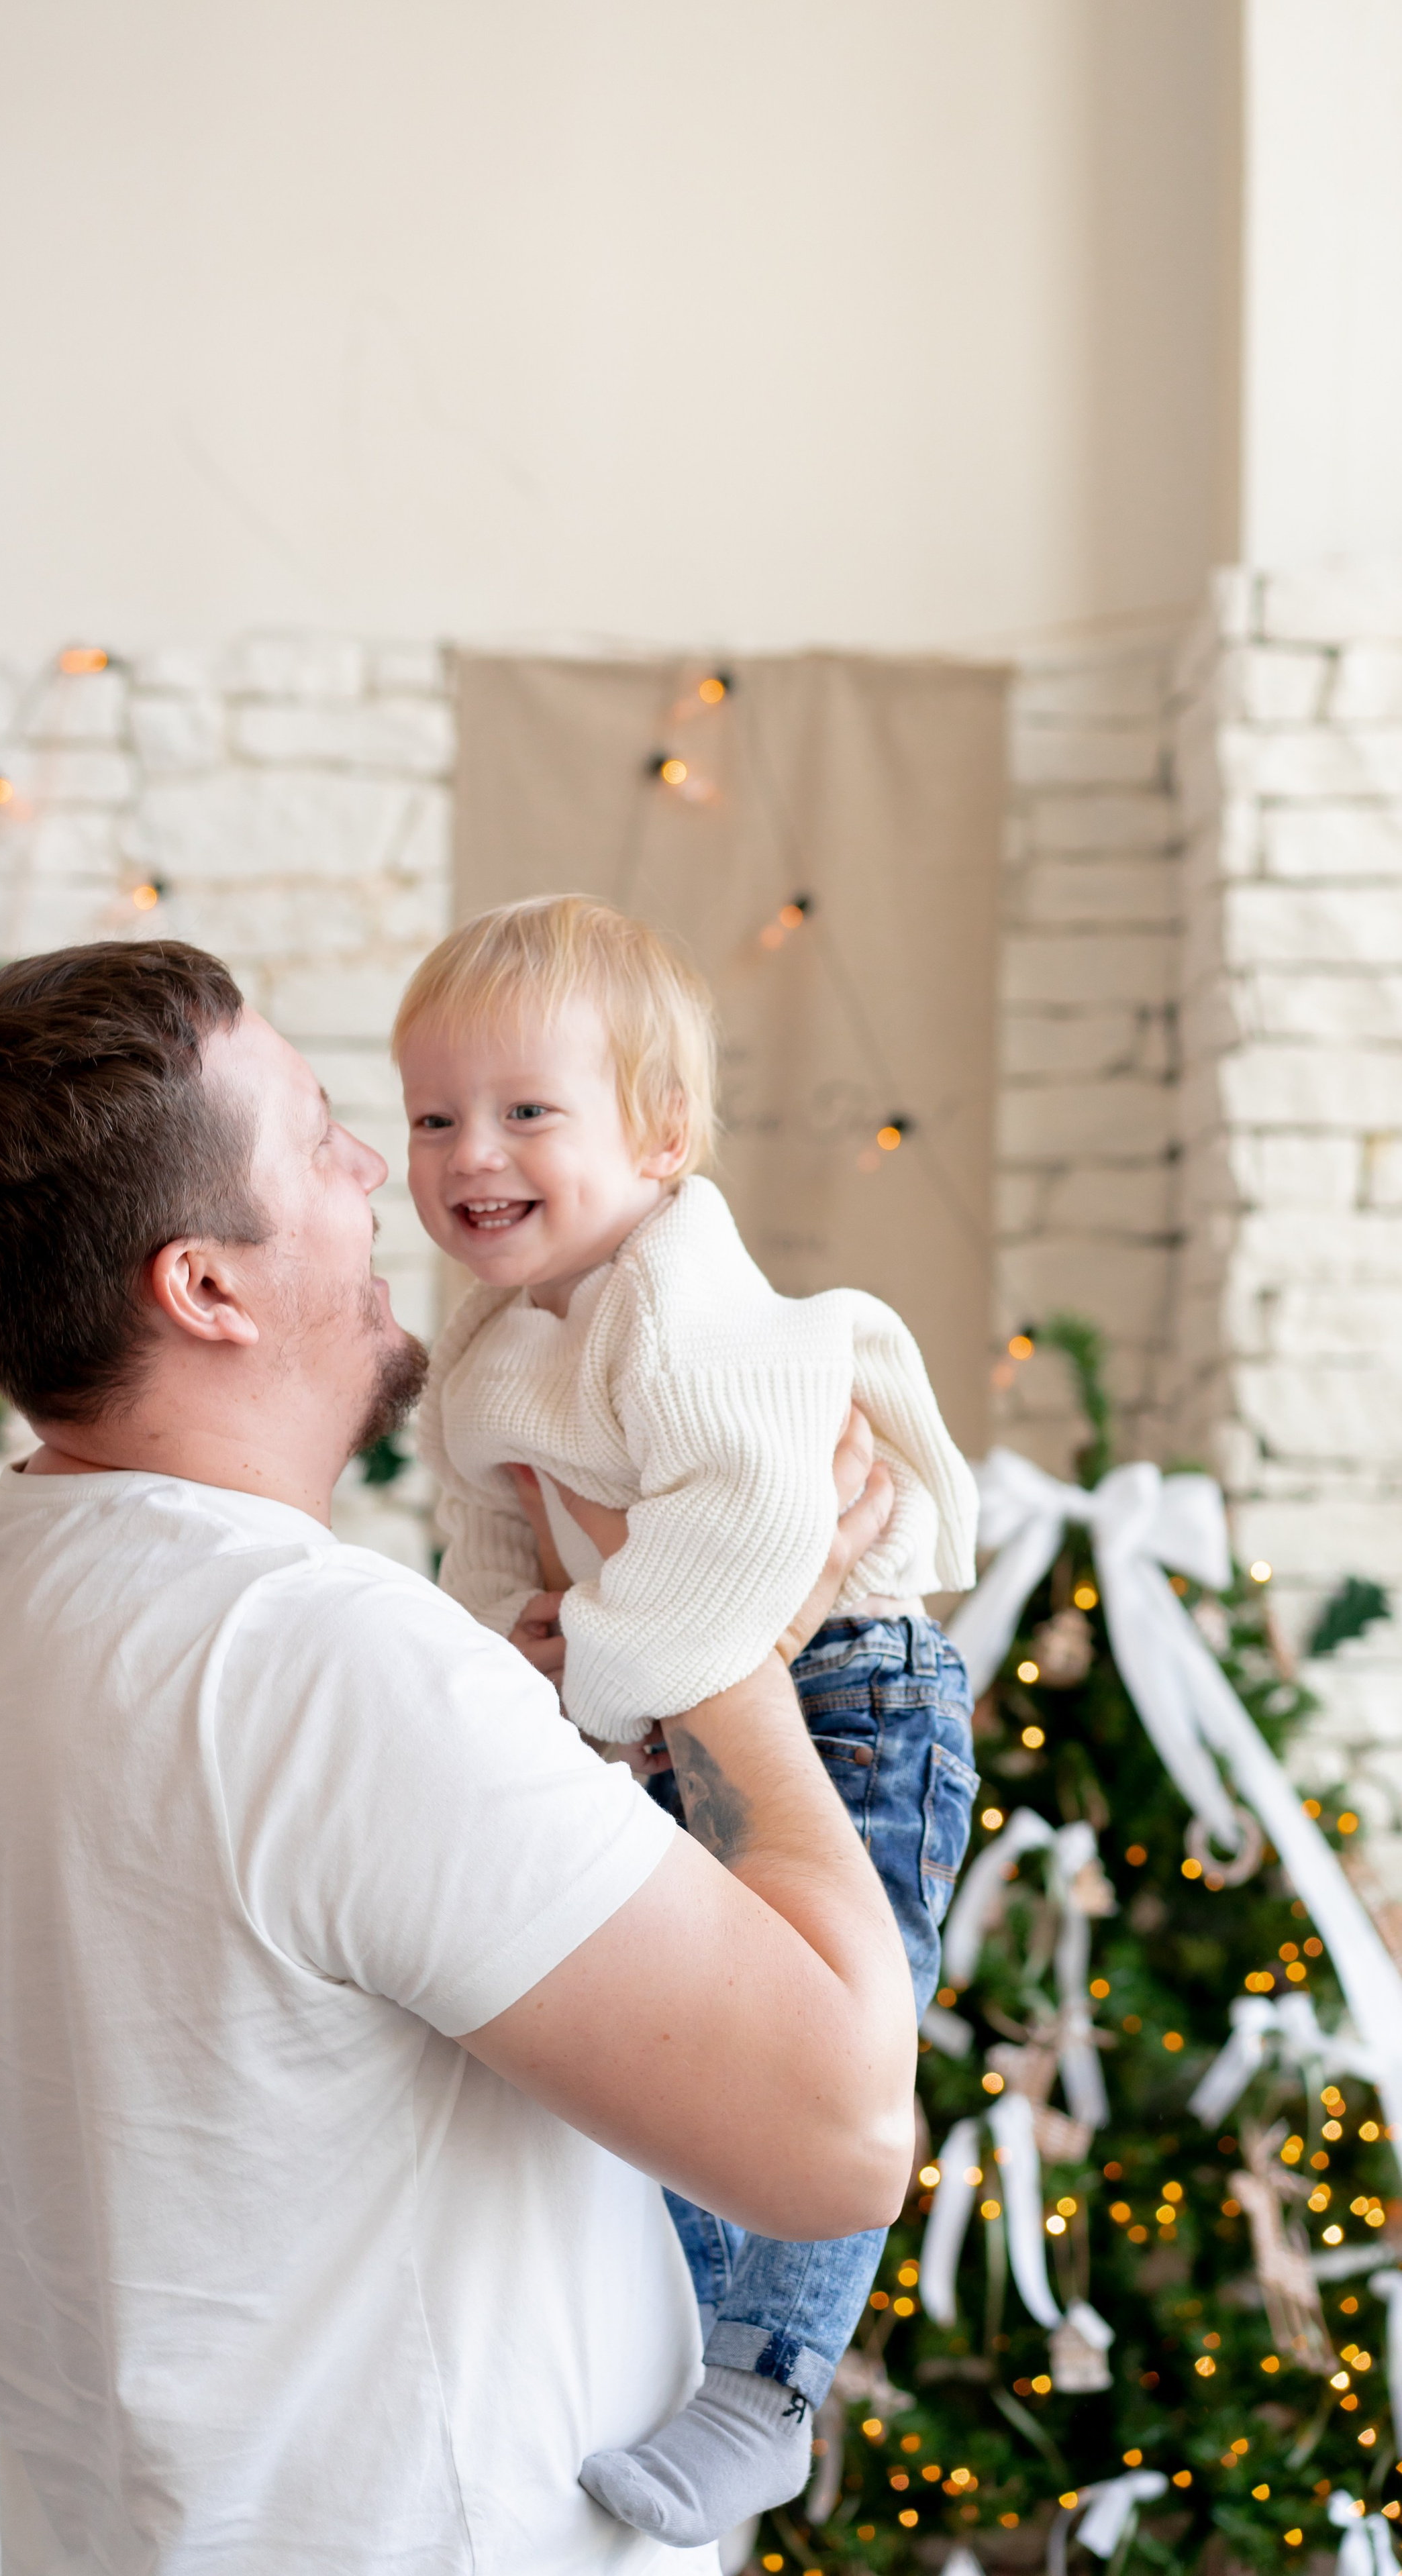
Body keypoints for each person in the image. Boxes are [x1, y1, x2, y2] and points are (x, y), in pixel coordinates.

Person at [0, 938, 917, 2576]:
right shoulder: (325, 1660)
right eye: (321, 1139)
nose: (386, 1173)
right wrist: (741, 1667)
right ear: (205, 1286)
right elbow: (841, 2138)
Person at [396, 896, 981, 2548]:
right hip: (662, 1701)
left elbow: (745, 1524)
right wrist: (491, 1673)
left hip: (851, 1697)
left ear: (657, 1138)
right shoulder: (494, 1340)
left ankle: (769, 2383)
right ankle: (686, 2319)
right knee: (677, 2028)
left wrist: (582, 1677)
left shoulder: (680, 1297)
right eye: (433, 1114)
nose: (465, 1152)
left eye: (523, 1111)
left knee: (825, 2037)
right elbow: (493, 1533)